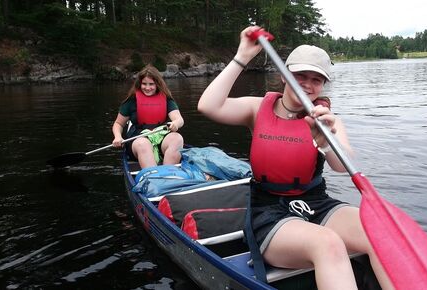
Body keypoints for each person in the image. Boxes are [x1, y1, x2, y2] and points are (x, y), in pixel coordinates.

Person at [198, 26, 393, 290]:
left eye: (316, 79)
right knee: (328, 242)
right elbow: (207, 106)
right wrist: (242, 57)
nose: (308, 85)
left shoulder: (327, 121)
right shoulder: (256, 109)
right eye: (300, 75)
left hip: (315, 203)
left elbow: (340, 165)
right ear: (283, 75)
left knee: (380, 230)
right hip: (268, 211)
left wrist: (325, 140)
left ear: (323, 85)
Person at [112, 64, 184, 169]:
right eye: (144, 84)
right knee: (143, 144)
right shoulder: (132, 100)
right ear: (139, 84)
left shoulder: (166, 99)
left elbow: (179, 119)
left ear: (157, 84)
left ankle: (169, 173)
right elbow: (118, 124)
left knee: (177, 138)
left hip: (160, 136)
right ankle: (153, 177)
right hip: (138, 138)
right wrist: (118, 136)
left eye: (151, 84)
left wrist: (175, 124)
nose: (147, 87)